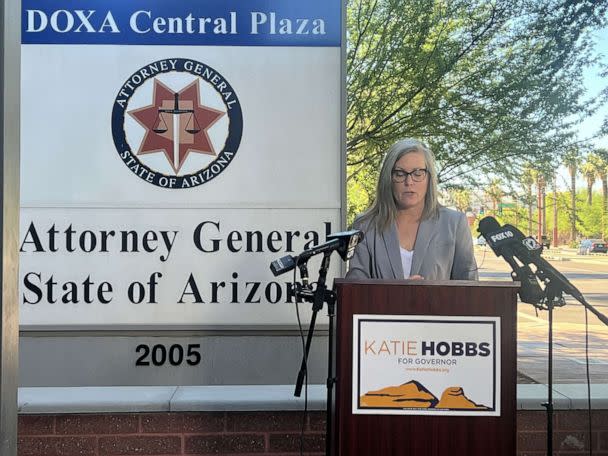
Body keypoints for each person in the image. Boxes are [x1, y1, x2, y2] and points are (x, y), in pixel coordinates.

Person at [346, 138, 478, 280]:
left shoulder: (454, 224)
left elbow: (469, 291)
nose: (409, 182)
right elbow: (355, 290)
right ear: (388, 178)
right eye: (400, 174)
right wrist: (399, 294)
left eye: (417, 173)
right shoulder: (365, 225)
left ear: (429, 178)